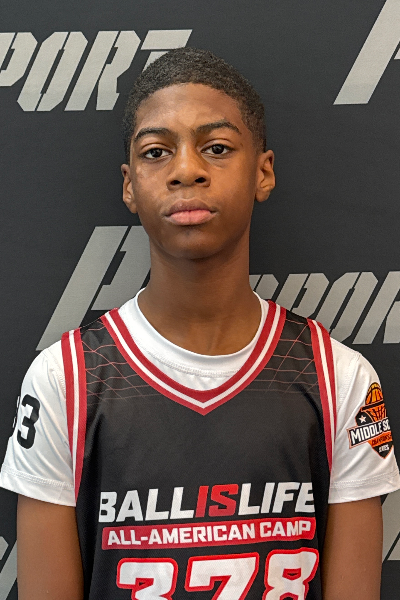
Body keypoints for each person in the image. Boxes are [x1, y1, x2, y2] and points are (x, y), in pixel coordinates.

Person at [1, 47, 399, 600]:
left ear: (263, 172)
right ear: (129, 185)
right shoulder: (64, 380)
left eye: (216, 148)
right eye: (156, 152)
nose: (187, 170)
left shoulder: (340, 379)